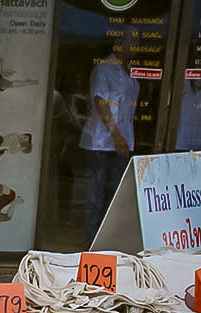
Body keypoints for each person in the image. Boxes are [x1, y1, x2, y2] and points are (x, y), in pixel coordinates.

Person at [79, 29, 139, 243]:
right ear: (118, 41)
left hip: (122, 142)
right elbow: (100, 101)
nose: (136, 44)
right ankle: (93, 242)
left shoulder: (131, 70)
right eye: (133, 40)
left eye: (138, 41)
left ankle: (108, 239)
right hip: (102, 142)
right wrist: (116, 134)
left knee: (114, 194)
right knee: (96, 194)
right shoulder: (104, 69)